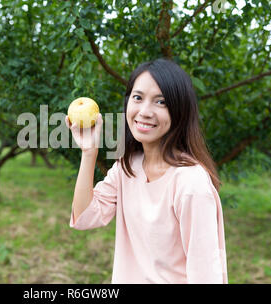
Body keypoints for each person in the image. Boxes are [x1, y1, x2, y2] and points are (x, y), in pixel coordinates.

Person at [65, 58, 228, 284]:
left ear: (179, 110)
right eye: (138, 98)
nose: (145, 111)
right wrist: (89, 152)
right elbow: (84, 217)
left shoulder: (191, 183)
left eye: (160, 102)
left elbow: (205, 274)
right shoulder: (128, 167)